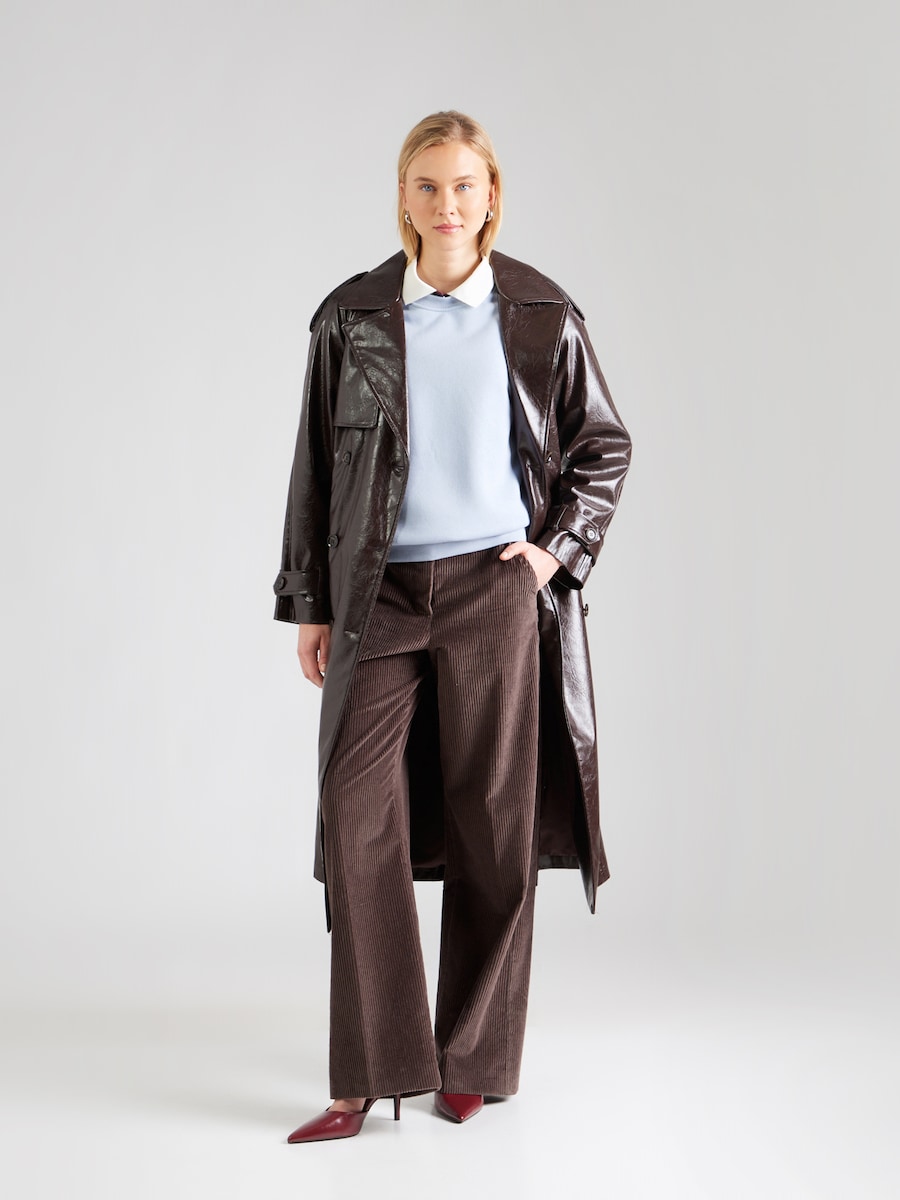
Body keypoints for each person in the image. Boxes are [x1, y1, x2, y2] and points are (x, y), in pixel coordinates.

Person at [272, 110, 632, 1143]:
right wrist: (311, 602)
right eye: (427, 185)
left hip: (493, 589)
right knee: (358, 813)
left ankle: (472, 1060)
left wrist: (553, 553)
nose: (446, 204)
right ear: (404, 195)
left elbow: (603, 445)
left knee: (493, 819)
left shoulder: (541, 312)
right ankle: (368, 1073)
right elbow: (315, 468)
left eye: (464, 185)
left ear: (491, 196)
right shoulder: (351, 317)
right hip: (377, 593)